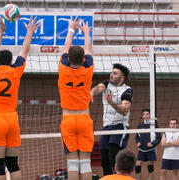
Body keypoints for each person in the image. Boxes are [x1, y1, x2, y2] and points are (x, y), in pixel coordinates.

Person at [0, 16, 39, 180]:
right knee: (13, 163)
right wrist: (29, 31)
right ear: (10, 62)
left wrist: (1, 30)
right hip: (12, 119)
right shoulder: (16, 71)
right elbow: (25, 50)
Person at [58, 16, 94, 180]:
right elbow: (89, 49)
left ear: (69, 59)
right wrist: (86, 32)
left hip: (69, 119)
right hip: (84, 118)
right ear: (83, 59)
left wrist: (71, 29)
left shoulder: (63, 69)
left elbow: (65, 47)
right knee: (85, 163)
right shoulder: (88, 70)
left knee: (72, 163)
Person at [90, 63, 132, 175]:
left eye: (115, 73)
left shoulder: (127, 90)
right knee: (104, 161)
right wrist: (91, 93)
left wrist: (111, 102)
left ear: (121, 77)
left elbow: (124, 110)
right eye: (111, 72)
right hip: (106, 127)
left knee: (114, 159)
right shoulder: (106, 84)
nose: (111, 75)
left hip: (120, 127)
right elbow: (98, 88)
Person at [135, 109, 161, 180]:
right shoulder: (140, 125)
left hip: (150, 149)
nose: (145, 115)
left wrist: (153, 143)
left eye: (147, 114)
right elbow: (137, 137)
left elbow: (159, 138)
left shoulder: (154, 125)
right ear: (142, 116)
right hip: (141, 149)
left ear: (149, 115)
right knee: (137, 166)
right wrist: (137, 142)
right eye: (144, 114)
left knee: (150, 167)